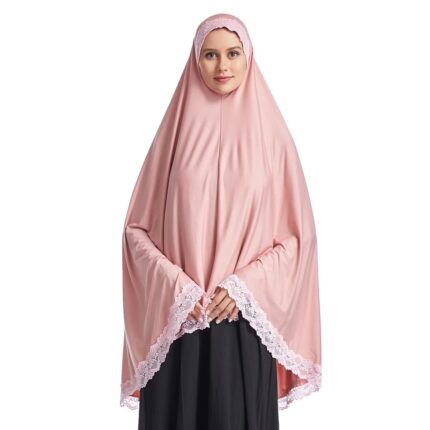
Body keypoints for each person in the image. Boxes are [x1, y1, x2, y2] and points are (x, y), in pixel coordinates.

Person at [120, 13, 322, 430]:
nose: (222, 66)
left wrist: (244, 285)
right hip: (178, 324)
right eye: (210, 55)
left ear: (249, 57)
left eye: (233, 53)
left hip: (241, 323)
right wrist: (176, 286)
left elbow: (297, 240)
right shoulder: (173, 137)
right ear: (196, 60)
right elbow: (135, 232)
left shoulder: (274, 141)